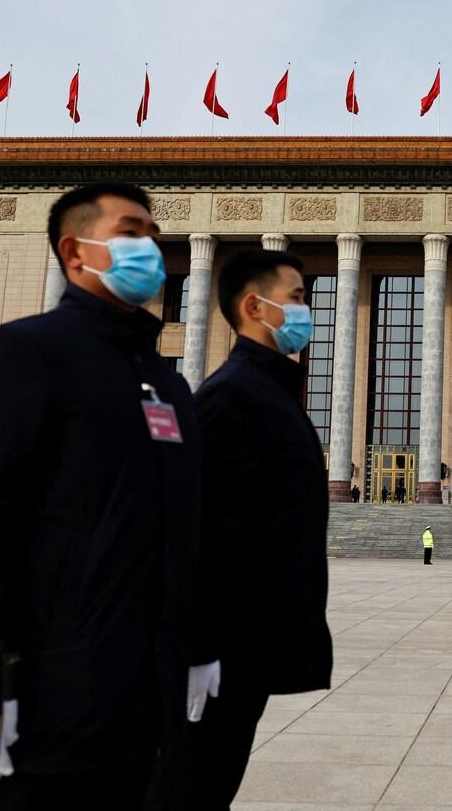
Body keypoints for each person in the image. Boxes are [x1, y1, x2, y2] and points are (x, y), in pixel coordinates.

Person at [0, 183, 204, 810]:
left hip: (146, 701)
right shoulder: (24, 353)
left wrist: (198, 647)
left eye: (154, 236)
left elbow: (183, 535)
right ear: (77, 252)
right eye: (133, 232)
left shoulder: (166, 383)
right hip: (53, 694)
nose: (152, 250)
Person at [186, 249, 332, 811]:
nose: (306, 311)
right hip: (222, 655)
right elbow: (199, 532)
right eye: (296, 299)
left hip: (249, 650)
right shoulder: (231, 397)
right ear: (255, 306)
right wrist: (195, 652)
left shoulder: (269, 391)